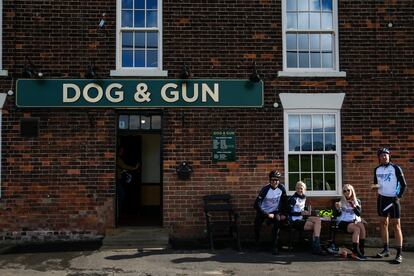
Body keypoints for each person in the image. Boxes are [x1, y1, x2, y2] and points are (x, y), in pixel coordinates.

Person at [373, 147, 407, 264]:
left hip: (393, 199)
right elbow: (376, 183)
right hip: (382, 199)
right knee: (383, 223)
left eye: (386, 154)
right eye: (382, 155)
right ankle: (386, 249)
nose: (384, 156)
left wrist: (399, 196)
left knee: (396, 225)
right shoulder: (376, 169)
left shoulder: (396, 168)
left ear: (389, 156)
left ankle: (399, 254)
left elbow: (403, 185)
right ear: (379, 157)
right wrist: (375, 187)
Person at [253, 170, 287, 255]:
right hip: (264, 211)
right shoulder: (265, 189)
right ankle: (256, 243)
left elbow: (284, 202)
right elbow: (256, 205)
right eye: (273, 180)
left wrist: (283, 213)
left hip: (275, 212)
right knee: (256, 225)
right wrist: (266, 214)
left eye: (277, 180)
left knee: (278, 222)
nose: (275, 182)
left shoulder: (282, 188)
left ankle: (274, 246)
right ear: (269, 180)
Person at [287, 181, 324, 254]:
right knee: (316, 227)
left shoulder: (304, 197)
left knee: (318, 221)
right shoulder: (293, 199)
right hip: (294, 221)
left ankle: (316, 245)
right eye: (297, 188)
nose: (299, 190)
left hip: (302, 218)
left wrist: (306, 211)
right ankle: (316, 246)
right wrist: (300, 213)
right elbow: (289, 212)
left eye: (301, 188)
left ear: (305, 189)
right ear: (295, 189)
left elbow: (301, 208)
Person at [333, 184, 367, 260]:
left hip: (352, 221)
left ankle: (361, 250)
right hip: (343, 222)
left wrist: (353, 205)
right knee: (356, 229)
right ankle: (355, 252)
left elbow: (358, 213)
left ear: (352, 191)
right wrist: (338, 209)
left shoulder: (356, 201)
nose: (347, 192)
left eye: (348, 190)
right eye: (344, 191)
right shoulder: (340, 201)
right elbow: (336, 215)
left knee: (361, 226)